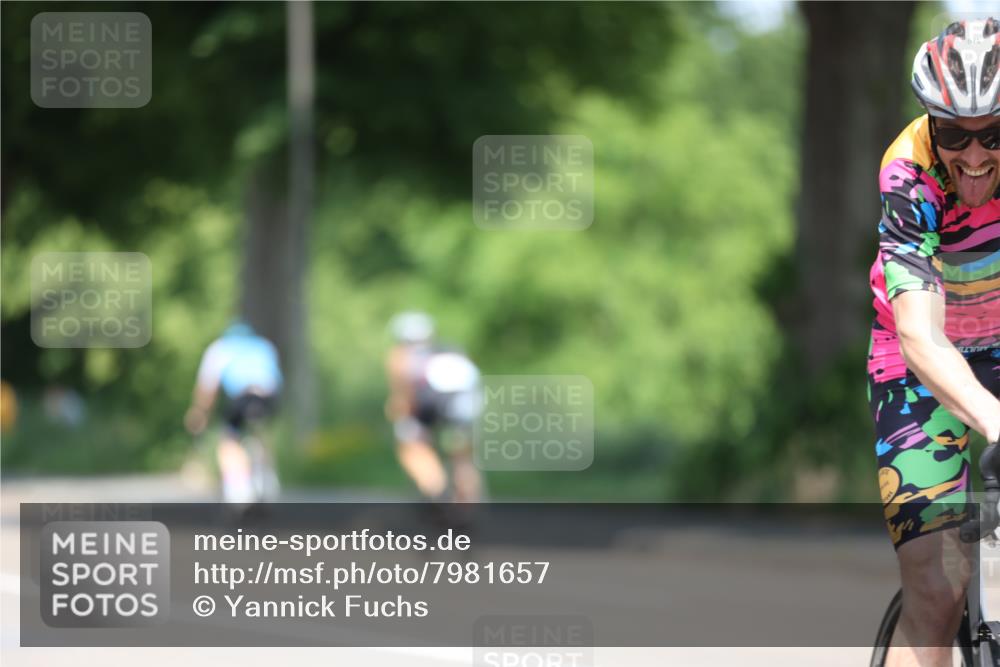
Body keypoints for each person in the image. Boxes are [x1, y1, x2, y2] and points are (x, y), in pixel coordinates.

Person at [868, 18, 1000, 667]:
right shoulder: (907, 173)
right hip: (919, 360)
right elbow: (920, 334)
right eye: (954, 134)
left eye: (994, 133)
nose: (974, 155)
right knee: (939, 588)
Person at [384, 311, 484, 511]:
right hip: (465, 401)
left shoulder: (401, 355)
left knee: (411, 445)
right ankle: (467, 502)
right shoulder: (452, 350)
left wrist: (399, 409)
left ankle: (436, 488)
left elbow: (403, 393)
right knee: (462, 455)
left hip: (428, 401)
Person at [185, 321, 283, 504]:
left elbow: (207, 388)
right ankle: (267, 479)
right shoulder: (263, 345)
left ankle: (239, 488)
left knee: (229, 439)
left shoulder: (219, 348)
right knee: (261, 432)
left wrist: (199, 412)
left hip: (242, 396)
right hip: (269, 397)